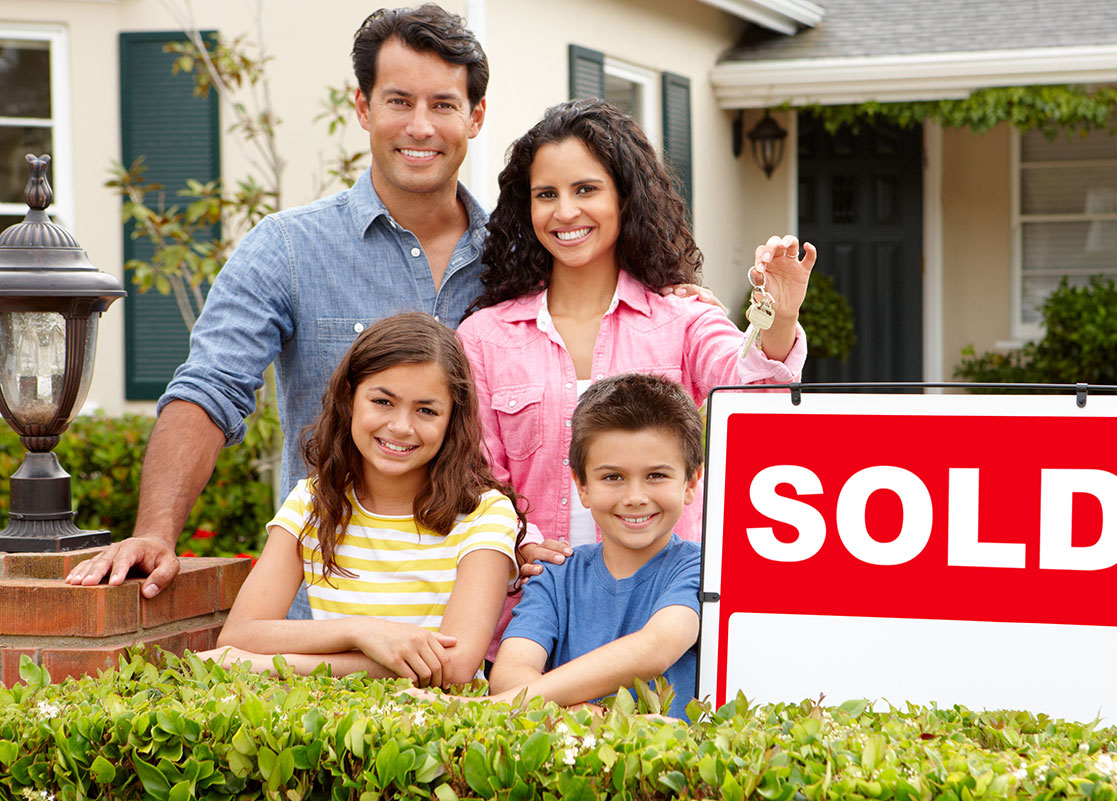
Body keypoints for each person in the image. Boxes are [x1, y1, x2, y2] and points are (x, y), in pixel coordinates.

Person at [65, 6, 714, 596]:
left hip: (486, 615)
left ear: (476, 117)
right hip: (335, 604)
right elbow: (208, 391)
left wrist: (669, 296)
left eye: (443, 104)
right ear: (363, 107)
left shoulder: (524, 259)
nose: (420, 126)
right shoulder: (287, 248)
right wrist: (156, 531)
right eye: (399, 100)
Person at [456, 98, 816, 554]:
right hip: (533, 603)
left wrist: (781, 316)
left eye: (586, 189)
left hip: (664, 605)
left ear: (624, 198)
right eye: (546, 194)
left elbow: (755, 395)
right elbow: (477, 479)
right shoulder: (484, 338)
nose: (565, 212)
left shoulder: (682, 319)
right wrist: (520, 542)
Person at [204, 313, 520, 685]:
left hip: (437, 731)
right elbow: (239, 635)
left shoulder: (484, 514)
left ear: (453, 418)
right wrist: (361, 631)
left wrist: (281, 663)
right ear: (350, 397)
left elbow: (454, 667)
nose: (401, 426)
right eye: (383, 402)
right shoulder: (313, 500)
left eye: (426, 410)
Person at [434, 372, 704, 718]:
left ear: (691, 482)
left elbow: (655, 650)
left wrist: (492, 709)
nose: (635, 497)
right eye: (613, 477)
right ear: (582, 486)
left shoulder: (700, 568)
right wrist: (578, 716)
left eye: (656, 475)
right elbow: (509, 673)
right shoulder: (556, 574)